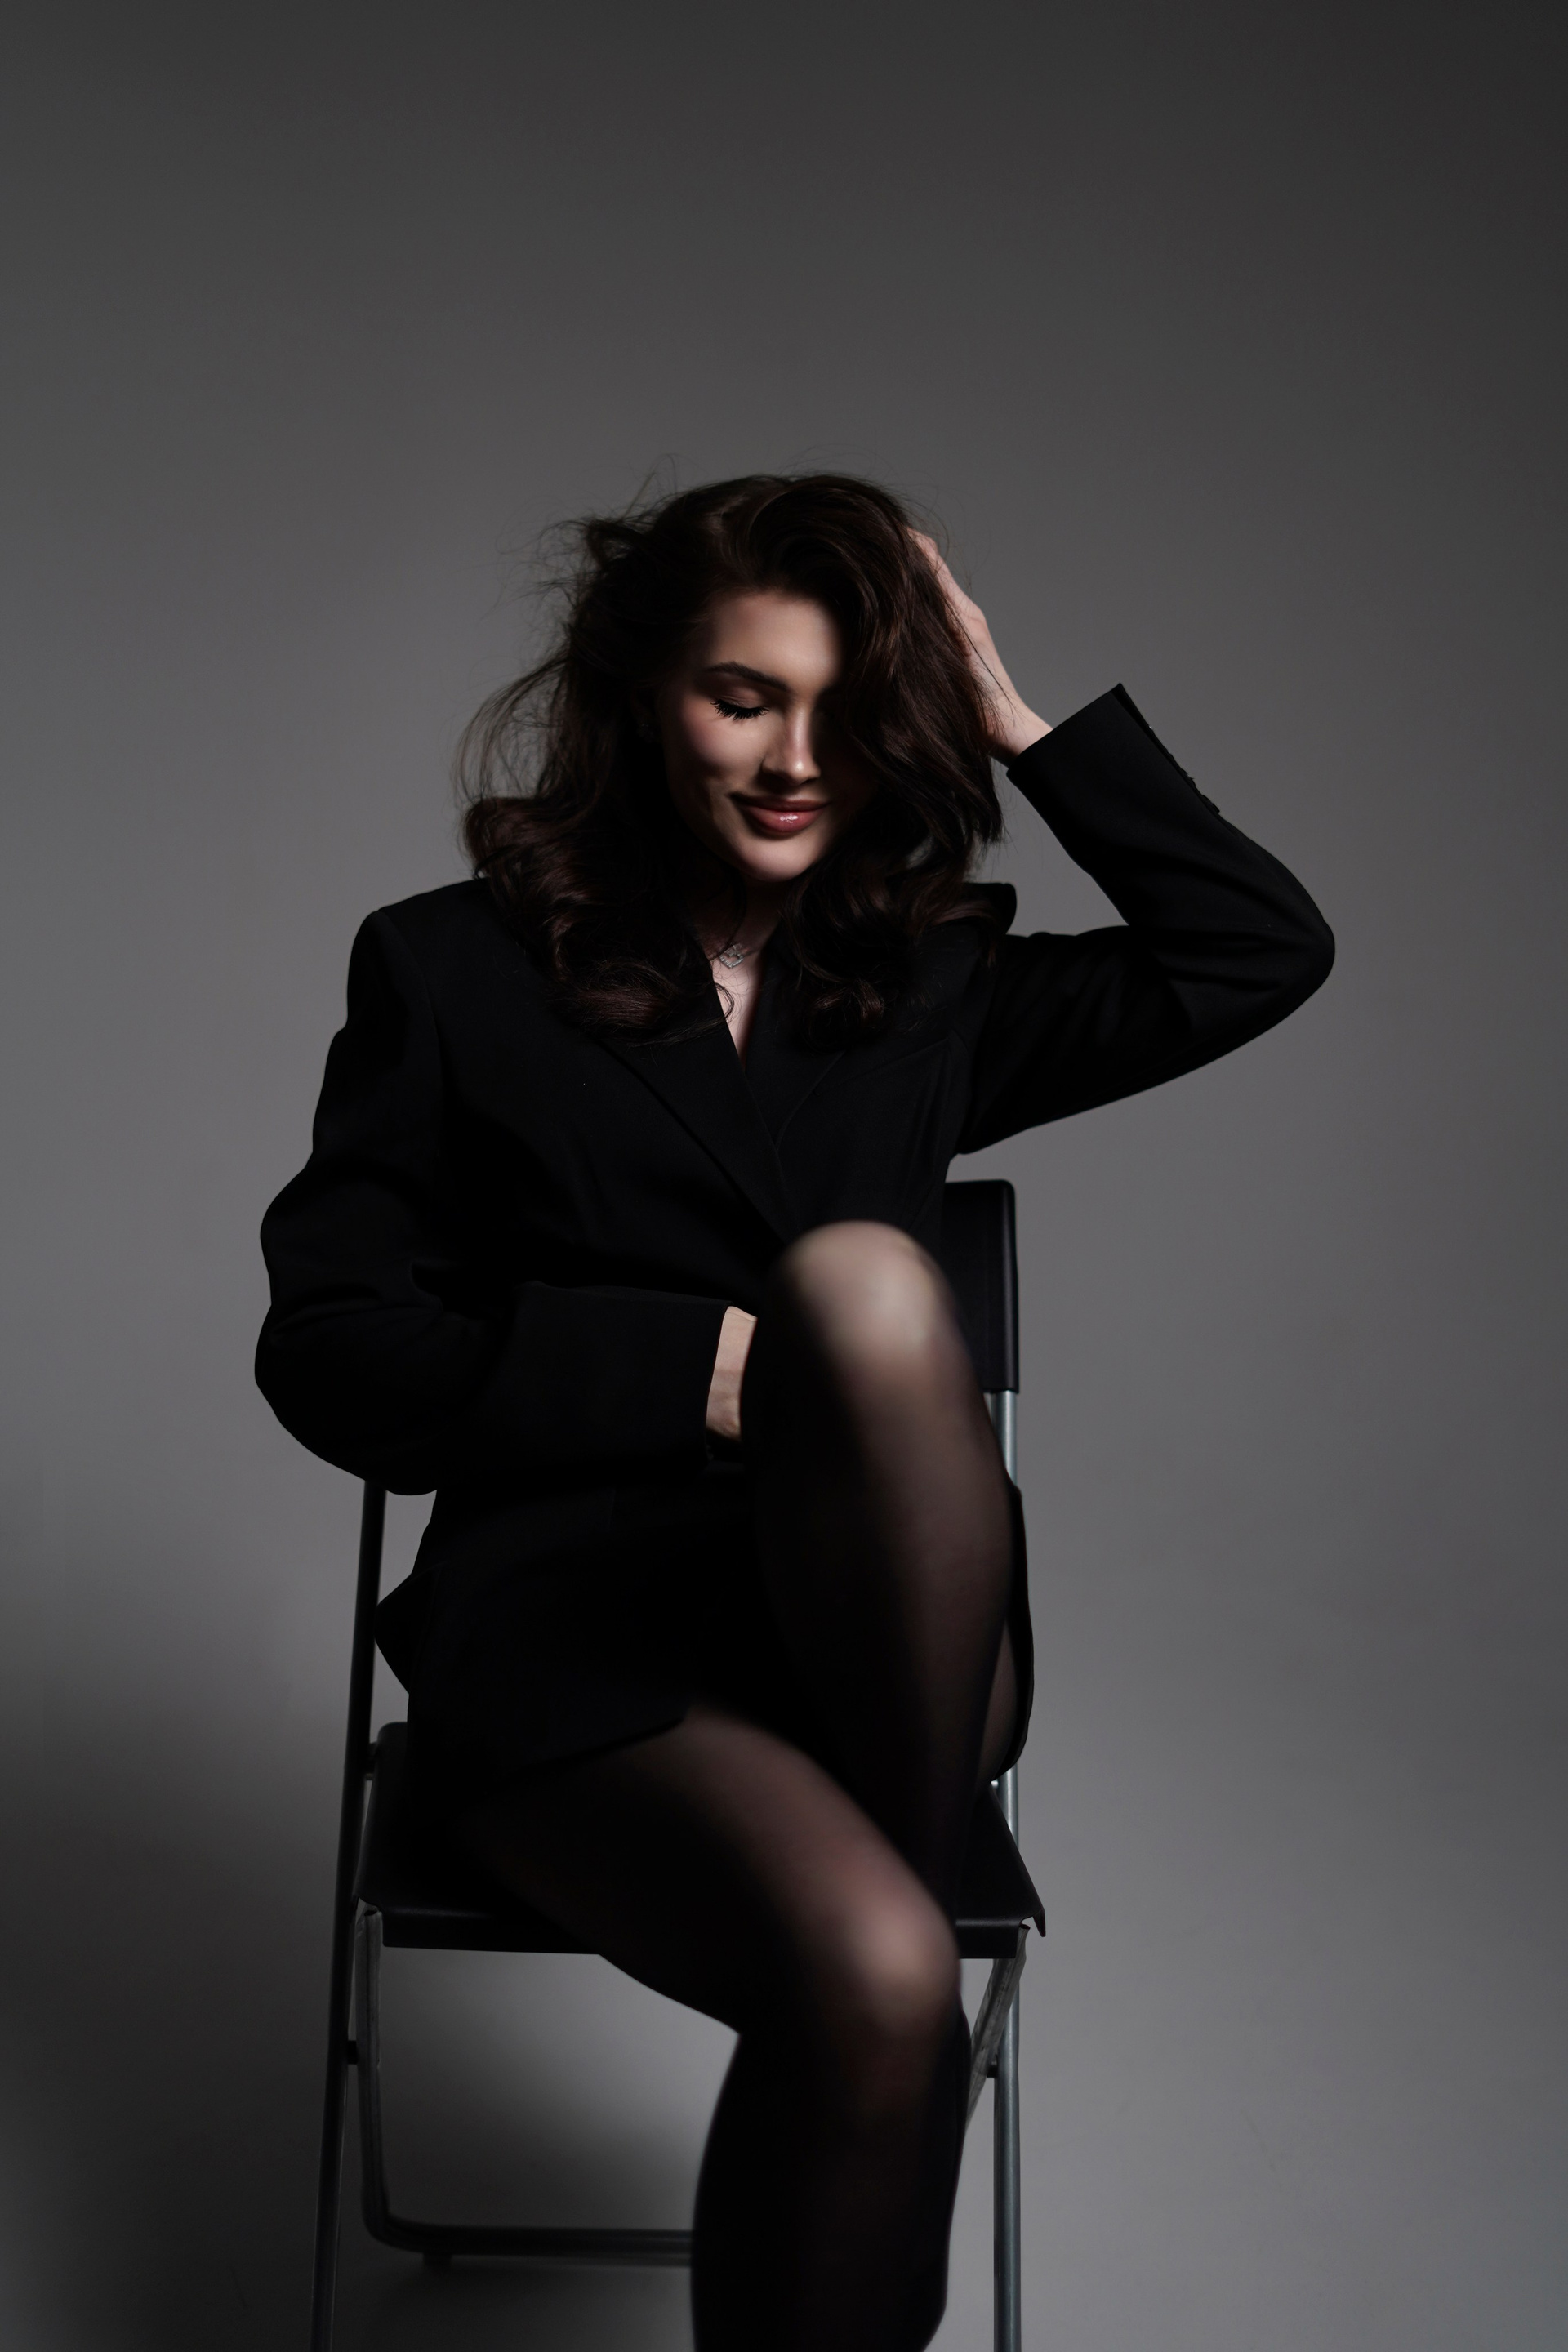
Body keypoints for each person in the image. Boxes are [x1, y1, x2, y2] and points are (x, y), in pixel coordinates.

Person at [256, 473, 1332, 2350]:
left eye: (848, 708)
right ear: (643, 695)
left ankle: (886, 1950)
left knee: (868, 1290)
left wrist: (1017, 720)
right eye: (744, 697)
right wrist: (699, 1372)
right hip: (592, 1654)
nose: (798, 760)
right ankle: (898, 1988)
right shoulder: (452, 972)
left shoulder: (929, 981)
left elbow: (1256, 948)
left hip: (884, 1645)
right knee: (885, 1975)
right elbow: (334, 1348)